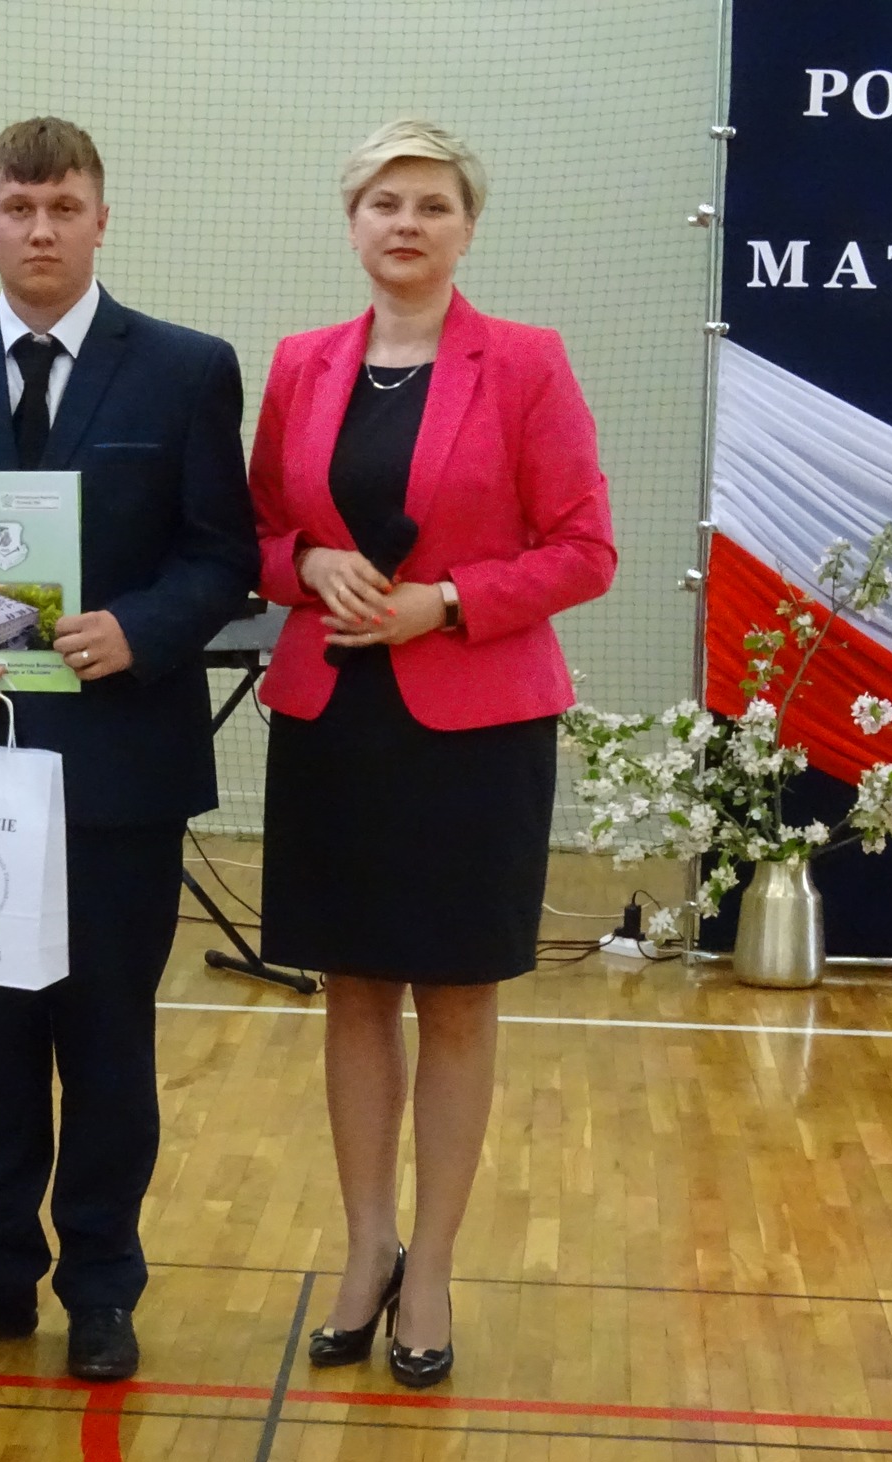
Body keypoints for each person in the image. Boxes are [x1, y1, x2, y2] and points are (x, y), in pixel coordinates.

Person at [0, 117, 257, 1381]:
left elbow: (222, 557)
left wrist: (141, 628)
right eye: (17, 208)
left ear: (99, 220)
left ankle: (101, 1288)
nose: (39, 229)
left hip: (118, 770)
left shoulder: (185, 369)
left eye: (62, 207)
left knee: (108, 1042)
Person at [249, 121, 617, 1388]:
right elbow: (256, 531)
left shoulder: (524, 362)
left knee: (454, 997)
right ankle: (366, 1248)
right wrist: (305, 562)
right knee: (353, 991)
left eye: (430, 205)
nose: (404, 223)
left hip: (475, 729)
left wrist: (445, 603)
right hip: (332, 719)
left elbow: (584, 549)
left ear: (467, 227)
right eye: (383, 202)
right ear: (351, 220)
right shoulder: (300, 364)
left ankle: (434, 1270)